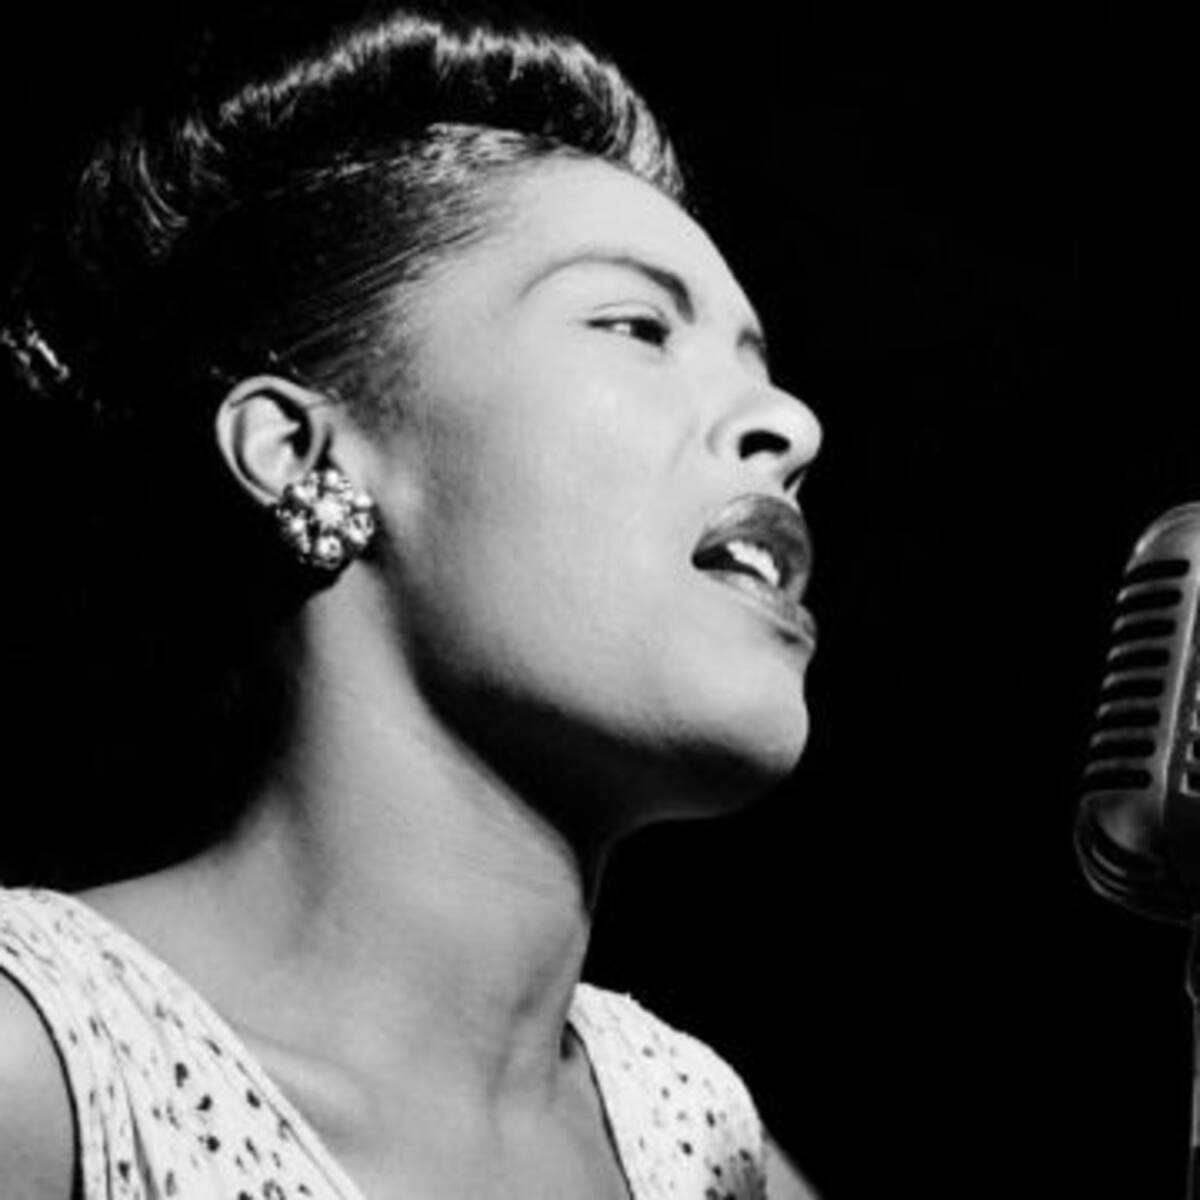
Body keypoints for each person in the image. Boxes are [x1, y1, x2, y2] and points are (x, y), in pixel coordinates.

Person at [0, 5, 822, 1197]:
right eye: (637, 327)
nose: (791, 425)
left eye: (762, 368)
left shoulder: (707, 1144)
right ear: (301, 452)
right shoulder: (38, 1070)